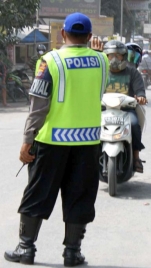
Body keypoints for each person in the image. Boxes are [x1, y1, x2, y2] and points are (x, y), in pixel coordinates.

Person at [4, 12, 109, 266]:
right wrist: (97, 52)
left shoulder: (50, 61)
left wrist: (27, 140)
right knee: (80, 197)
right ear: (90, 36)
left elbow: (38, 107)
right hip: (88, 143)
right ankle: (72, 253)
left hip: (51, 143)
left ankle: (26, 248)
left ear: (63, 33)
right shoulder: (102, 61)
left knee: (38, 193)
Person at [103, 40, 147, 173]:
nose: (114, 59)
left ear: (124, 57)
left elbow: (140, 90)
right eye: (111, 56)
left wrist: (141, 96)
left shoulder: (132, 73)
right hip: (104, 110)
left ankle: (136, 157)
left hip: (126, 111)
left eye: (118, 55)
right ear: (106, 57)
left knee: (134, 124)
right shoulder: (102, 72)